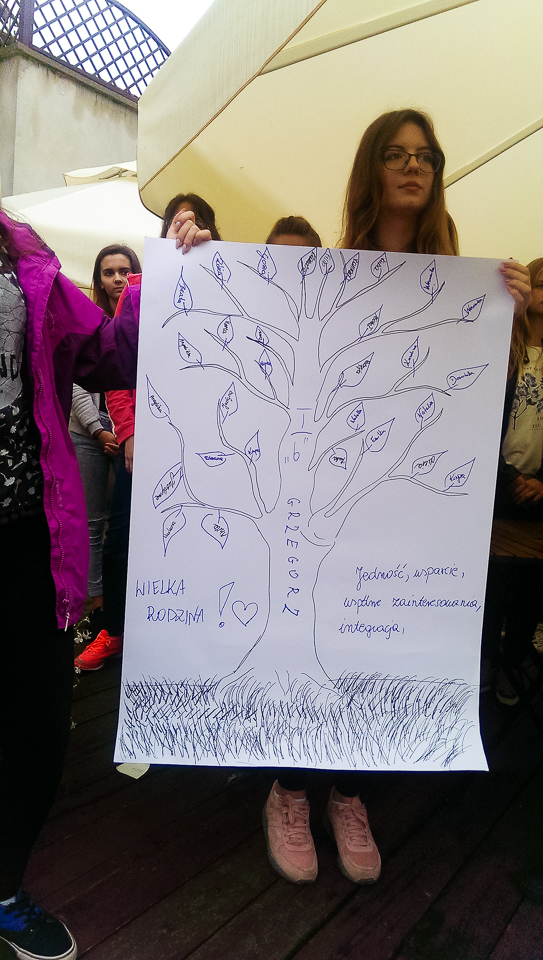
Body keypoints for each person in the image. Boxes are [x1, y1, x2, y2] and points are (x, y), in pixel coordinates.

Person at [260, 109, 531, 886]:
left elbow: (481, 410)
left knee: (380, 650)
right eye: (395, 154)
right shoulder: (330, 269)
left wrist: (509, 322)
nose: (413, 167)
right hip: (329, 489)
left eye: (425, 156)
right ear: (371, 169)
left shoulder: (469, 289)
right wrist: (200, 258)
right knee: (313, 636)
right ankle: (288, 788)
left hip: (412, 505)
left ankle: (348, 794)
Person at [0, 206, 205, 960]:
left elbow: (111, 354)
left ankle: (3, 889)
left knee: (39, 725)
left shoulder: (27, 265)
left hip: (29, 539)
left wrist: (172, 273)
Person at [75, 202, 216, 672]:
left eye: (195, 220)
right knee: (121, 537)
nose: (186, 227)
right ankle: (115, 629)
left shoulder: (227, 279)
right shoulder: (138, 290)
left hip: (204, 441)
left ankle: (194, 629)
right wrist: (130, 434)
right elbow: (119, 375)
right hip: (144, 442)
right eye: (177, 220)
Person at [70, 246, 141, 641]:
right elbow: (81, 384)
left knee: (120, 526)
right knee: (95, 524)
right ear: (98, 280)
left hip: (126, 437)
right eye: (109, 272)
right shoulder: (88, 317)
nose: (117, 279)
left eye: (125, 271)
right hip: (91, 434)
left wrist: (123, 432)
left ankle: (118, 614)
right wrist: (102, 430)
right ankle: (101, 610)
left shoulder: (146, 314)